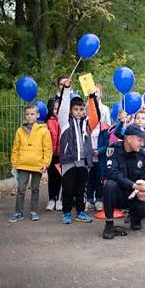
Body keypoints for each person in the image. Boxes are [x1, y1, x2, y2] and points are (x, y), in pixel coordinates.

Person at [102, 124, 145, 239]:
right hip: (118, 194)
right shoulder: (113, 149)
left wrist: (143, 192)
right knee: (109, 185)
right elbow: (112, 173)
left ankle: (135, 218)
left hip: (134, 195)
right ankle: (109, 224)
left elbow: (144, 179)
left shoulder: (143, 156)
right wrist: (133, 185)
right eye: (140, 140)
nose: (142, 144)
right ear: (129, 138)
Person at [58, 79, 99, 224]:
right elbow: (62, 107)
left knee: (81, 189)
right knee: (68, 189)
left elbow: (96, 115)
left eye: (81, 109)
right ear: (70, 110)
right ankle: (67, 212)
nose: (79, 112)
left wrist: (92, 97)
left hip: (83, 161)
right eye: (76, 109)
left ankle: (80, 212)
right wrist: (67, 89)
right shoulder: (64, 121)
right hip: (69, 160)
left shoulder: (87, 123)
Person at [9, 104, 53, 222]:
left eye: (32, 114)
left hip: (37, 165)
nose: (29, 116)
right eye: (27, 114)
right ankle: (18, 212)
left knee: (35, 189)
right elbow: (15, 148)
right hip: (22, 164)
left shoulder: (44, 131)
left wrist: (45, 163)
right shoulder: (20, 130)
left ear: (37, 115)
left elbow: (48, 149)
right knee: (21, 189)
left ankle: (33, 211)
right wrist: (14, 162)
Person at [45, 99, 62, 211]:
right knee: (52, 177)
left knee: (61, 177)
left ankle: (59, 200)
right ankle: (52, 199)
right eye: (55, 108)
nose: (57, 111)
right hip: (51, 154)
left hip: (62, 154)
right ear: (51, 109)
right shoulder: (48, 122)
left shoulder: (64, 121)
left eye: (59, 109)